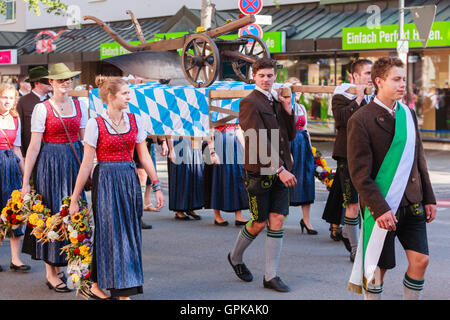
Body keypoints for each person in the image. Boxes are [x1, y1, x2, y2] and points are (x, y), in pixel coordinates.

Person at [347, 56, 436, 300]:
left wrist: (429, 198)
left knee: (421, 260)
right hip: (383, 207)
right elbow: (360, 174)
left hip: (412, 201)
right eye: (396, 79)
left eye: (403, 79)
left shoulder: (407, 114)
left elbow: (419, 158)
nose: (402, 84)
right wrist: (379, 208)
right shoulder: (360, 120)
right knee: (378, 268)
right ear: (379, 81)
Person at [69, 76, 164, 300]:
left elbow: (144, 156)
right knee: (109, 233)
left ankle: (105, 283)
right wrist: (75, 198)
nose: (129, 97)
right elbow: (86, 164)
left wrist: (157, 184)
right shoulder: (96, 124)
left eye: (129, 93)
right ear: (111, 97)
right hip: (106, 180)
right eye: (125, 94)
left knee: (129, 232)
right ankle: (118, 290)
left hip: (129, 180)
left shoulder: (136, 120)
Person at [227, 57, 297, 292]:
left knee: (277, 220)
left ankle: (270, 276)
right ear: (254, 76)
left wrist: (288, 109)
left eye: (270, 75)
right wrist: (279, 169)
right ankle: (235, 257)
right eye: (262, 76)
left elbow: (290, 135)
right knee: (258, 222)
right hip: (260, 171)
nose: (267, 80)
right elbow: (255, 140)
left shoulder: (277, 101)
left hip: (281, 168)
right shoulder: (249, 102)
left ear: (275, 76)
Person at [21, 63, 88, 293]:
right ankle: (51, 272)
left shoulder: (81, 105)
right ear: (51, 82)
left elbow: (84, 140)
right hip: (50, 166)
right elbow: (33, 147)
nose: (65, 83)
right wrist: (26, 182)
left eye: (68, 79)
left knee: (76, 214)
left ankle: (74, 266)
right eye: (60, 80)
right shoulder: (42, 109)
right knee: (53, 216)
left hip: (73, 163)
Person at [328, 58, 373, 261]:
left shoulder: (376, 97)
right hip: (347, 155)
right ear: (355, 76)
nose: (371, 78)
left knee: (367, 203)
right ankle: (355, 249)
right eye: (367, 74)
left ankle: (349, 232)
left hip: (370, 156)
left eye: (372, 74)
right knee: (352, 203)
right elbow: (342, 120)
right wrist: (358, 98)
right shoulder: (341, 95)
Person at [0, 84, 30, 272]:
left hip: (10, 166)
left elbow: (17, 149)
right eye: (4, 97)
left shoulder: (15, 120)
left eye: (11, 98)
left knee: (14, 211)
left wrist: (25, 177)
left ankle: (15, 259)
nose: (7, 101)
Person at [286, 78, 316, 234]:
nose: (297, 93)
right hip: (289, 143)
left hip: (303, 145)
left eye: (299, 90)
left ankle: (307, 221)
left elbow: (306, 129)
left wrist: (311, 151)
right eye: (293, 89)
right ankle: (275, 217)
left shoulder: (302, 107)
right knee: (285, 181)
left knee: (306, 180)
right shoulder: (284, 107)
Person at [206, 125, 249, 227]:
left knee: (237, 177)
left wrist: (246, 149)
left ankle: (238, 215)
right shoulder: (214, 110)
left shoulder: (234, 109)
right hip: (220, 143)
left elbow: (238, 129)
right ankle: (217, 215)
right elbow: (210, 131)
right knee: (219, 178)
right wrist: (212, 152)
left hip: (235, 145)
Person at [16, 66, 52, 157]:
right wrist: (22, 156)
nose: (51, 83)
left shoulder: (53, 101)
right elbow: (19, 131)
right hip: (31, 155)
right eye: (47, 81)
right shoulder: (22, 102)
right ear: (37, 83)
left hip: (51, 154)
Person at [167, 137, 204, 220]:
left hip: (193, 143)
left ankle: (191, 207)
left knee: (193, 176)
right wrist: (171, 149)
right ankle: (179, 209)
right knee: (181, 177)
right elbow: (169, 130)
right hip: (178, 143)